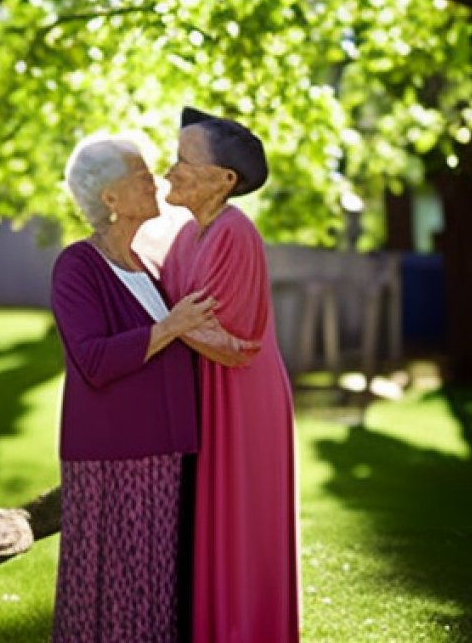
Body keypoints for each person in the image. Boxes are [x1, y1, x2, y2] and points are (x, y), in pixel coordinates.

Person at [50, 135, 222, 643]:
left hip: (164, 453)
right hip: (113, 458)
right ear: (110, 199)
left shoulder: (147, 269)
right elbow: (94, 361)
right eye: (143, 176)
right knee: (113, 593)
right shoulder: (78, 266)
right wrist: (171, 326)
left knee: (151, 593)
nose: (157, 181)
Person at [160, 108, 301, 643]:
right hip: (208, 396)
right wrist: (169, 323)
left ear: (225, 180)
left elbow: (231, 344)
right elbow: (175, 316)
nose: (169, 171)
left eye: (182, 161)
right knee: (209, 524)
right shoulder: (186, 237)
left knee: (238, 525)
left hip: (241, 401)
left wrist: (164, 324)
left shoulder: (234, 233)